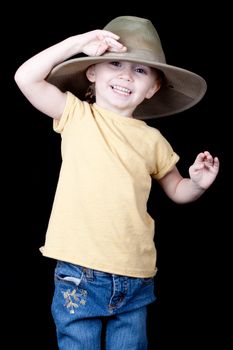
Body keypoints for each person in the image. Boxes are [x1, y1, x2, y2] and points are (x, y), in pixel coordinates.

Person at [14, 15, 219, 350]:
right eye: (115, 63)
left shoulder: (153, 140)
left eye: (140, 70)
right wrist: (78, 45)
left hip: (136, 273)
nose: (126, 75)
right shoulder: (76, 115)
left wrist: (197, 183)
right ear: (92, 71)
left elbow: (178, 191)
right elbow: (25, 77)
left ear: (153, 87)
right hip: (80, 272)